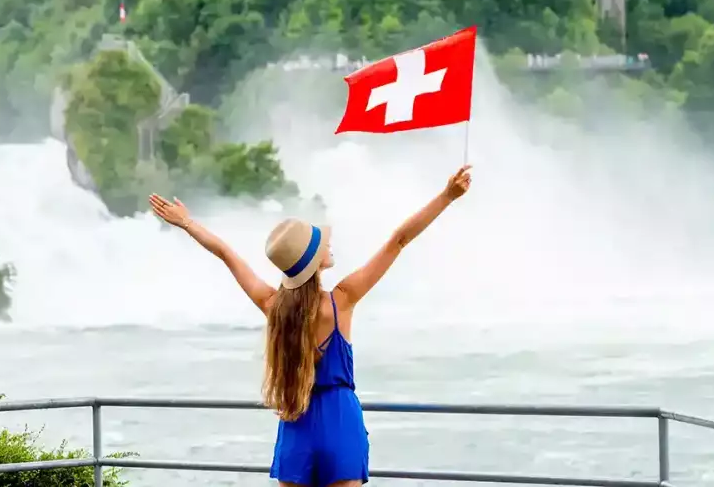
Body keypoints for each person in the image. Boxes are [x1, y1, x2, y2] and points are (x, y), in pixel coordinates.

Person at [149, 164, 472, 487]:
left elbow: (226, 254)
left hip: (296, 419)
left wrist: (187, 223)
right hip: (340, 420)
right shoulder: (342, 300)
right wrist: (447, 196)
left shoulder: (273, 306)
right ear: (314, 261)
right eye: (321, 245)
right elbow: (398, 240)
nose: (328, 246)